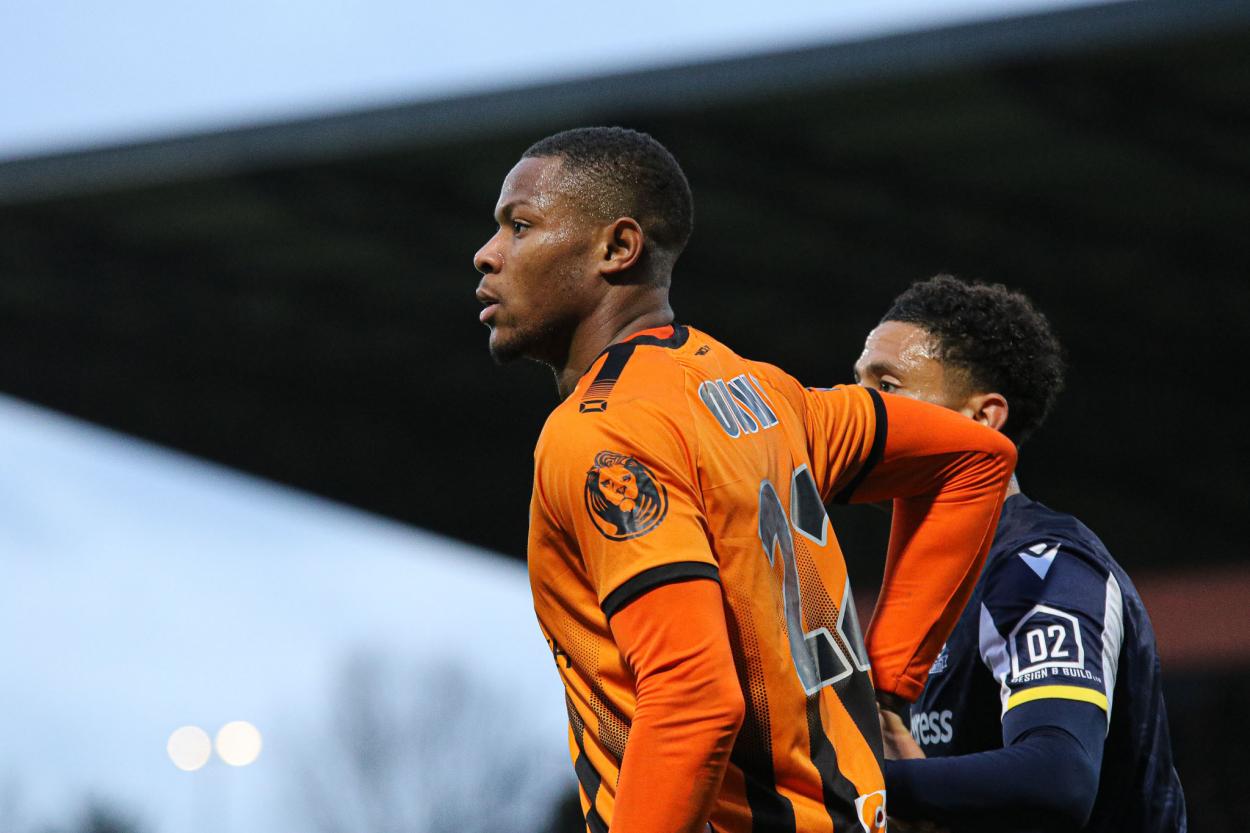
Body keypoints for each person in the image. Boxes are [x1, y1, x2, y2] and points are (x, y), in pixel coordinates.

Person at [472, 127, 1017, 833]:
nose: (488, 253)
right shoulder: (769, 395)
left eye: (519, 225)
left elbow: (693, 697)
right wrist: (889, 688)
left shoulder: (602, 430)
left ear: (618, 247)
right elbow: (978, 458)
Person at [854, 275, 1186, 832]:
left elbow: (1059, 777)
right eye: (855, 383)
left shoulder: (1041, 565)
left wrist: (855, 782)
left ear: (983, 418)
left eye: (886, 386)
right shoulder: (922, 583)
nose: (855, 406)